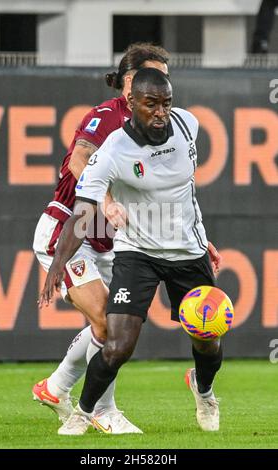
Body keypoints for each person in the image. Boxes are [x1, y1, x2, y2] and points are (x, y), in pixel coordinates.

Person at [39, 68, 223, 436]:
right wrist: (57, 264)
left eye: (166, 103)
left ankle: (204, 392)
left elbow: (184, 193)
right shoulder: (112, 151)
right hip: (137, 252)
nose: (161, 112)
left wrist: (200, 236)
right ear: (132, 104)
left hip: (188, 251)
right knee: (117, 343)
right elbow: (84, 210)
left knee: (208, 343)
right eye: (151, 104)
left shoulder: (189, 124)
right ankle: (84, 411)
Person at [32, 43, 173, 434]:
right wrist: (106, 200)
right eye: (153, 74)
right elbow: (80, 160)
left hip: (105, 241)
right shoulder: (108, 116)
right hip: (69, 228)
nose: (162, 83)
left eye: (165, 76)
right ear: (130, 82)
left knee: (108, 328)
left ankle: (56, 387)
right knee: (110, 326)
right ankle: (102, 411)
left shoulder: (159, 128)